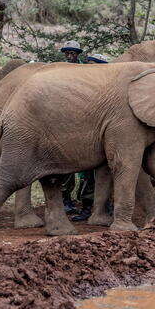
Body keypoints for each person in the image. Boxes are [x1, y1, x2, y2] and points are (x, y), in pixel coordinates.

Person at [71, 53, 111, 221]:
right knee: (87, 176)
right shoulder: (82, 86)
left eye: (93, 64)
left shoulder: (108, 86)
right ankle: (88, 207)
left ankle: (102, 209)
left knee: (106, 176)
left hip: (104, 138)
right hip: (86, 139)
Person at [59, 40, 84, 214]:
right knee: (64, 162)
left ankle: (85, 200)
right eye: (67, 53)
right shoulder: (59, 71)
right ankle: (65, 199)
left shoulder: (86, 70)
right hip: (64, 122)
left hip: (83, 121)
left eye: (72, 53)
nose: (69, 56)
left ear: (78, 54)